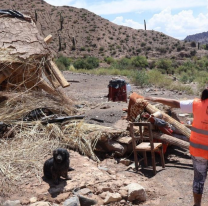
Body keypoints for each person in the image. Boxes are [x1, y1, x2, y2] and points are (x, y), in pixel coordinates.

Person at [144, 88, 208, 206]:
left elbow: (176, 103)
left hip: (198, 150)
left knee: (199, 179)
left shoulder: (197, 104)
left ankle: (197, 204)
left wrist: (155, 98)